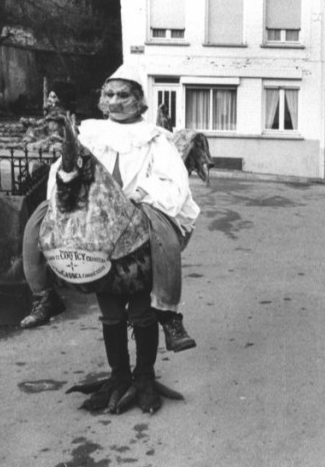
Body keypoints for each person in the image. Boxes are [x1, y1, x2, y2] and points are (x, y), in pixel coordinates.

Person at [20, 64, 200, 356]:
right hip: (96, 219)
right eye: (110, 94)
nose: (115, 101)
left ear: (139, 100)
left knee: (163, 237)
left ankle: (168, 316)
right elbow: (63, 169)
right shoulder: (91, 133)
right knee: (37, 220)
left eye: (124, 95)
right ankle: (44, 296)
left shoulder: (154, 138)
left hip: (138, 212)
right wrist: (65, 185)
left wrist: (143, 194)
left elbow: (173, 180)